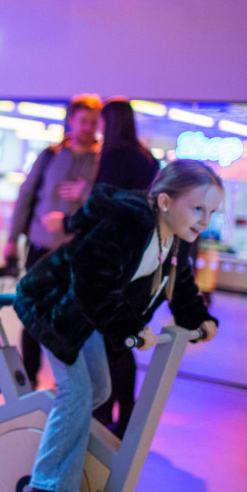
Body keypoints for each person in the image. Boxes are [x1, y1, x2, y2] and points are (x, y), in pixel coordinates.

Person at [12, 160, 222, 492]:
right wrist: (130, 328)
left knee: (100, 391)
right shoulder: (128, 225)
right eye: (198, 208)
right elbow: (90, 282)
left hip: (84, 315)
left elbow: (182, 286)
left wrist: (198, 319)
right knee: (78, 391)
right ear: (163, 201)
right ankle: (45, 490)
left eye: (211, 212)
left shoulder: (174, 239)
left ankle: (54, 435)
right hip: (53, 305)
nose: (204, 220)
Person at [5, 94, 102, 387]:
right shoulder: (50, 156)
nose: (87, 127)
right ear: (71, 120)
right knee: (32, 312)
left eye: (93, 122)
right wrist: (12, 238)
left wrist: (85, 194)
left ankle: (66, 380)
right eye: (82, 121)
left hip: (79, 253)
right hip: (41, 248)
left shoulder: (102, 161)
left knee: (71, 318)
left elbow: (110, 204)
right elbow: (27, 196)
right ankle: (29, 378)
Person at [91, 98, 161, 437]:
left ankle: (107, 409)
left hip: (114, 258)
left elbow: (103, 202)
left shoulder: (116, 156)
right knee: (122, 339)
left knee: (109, 340)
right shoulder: (147, 158)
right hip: (141, 258)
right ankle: (126, 412)